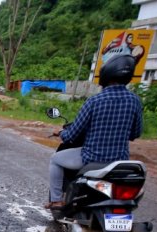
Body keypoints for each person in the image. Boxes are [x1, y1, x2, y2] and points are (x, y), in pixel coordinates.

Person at [46, 55, 143, 209]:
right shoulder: (135, 100)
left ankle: (56, 200)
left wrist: (61, 133)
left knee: (55, 160)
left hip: (92, 158)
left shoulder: (94, 101)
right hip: (119, 161)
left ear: (106, 75)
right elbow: (135, 133)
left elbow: (72, 135)